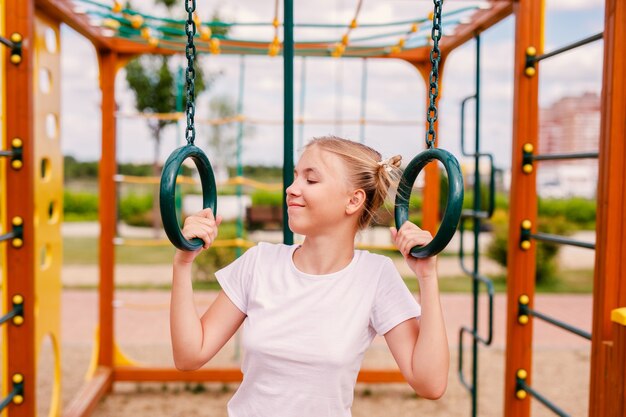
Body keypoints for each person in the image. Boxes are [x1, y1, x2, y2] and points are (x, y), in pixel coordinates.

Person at [170, 136, 449, 416]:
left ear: (353, 200)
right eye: (295, 177)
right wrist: (183, 263)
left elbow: (430, 384)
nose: (291, 189)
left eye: (311, 180)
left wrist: (428, 277)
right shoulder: (260, 262)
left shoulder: (374, 276)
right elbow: (189, 355)